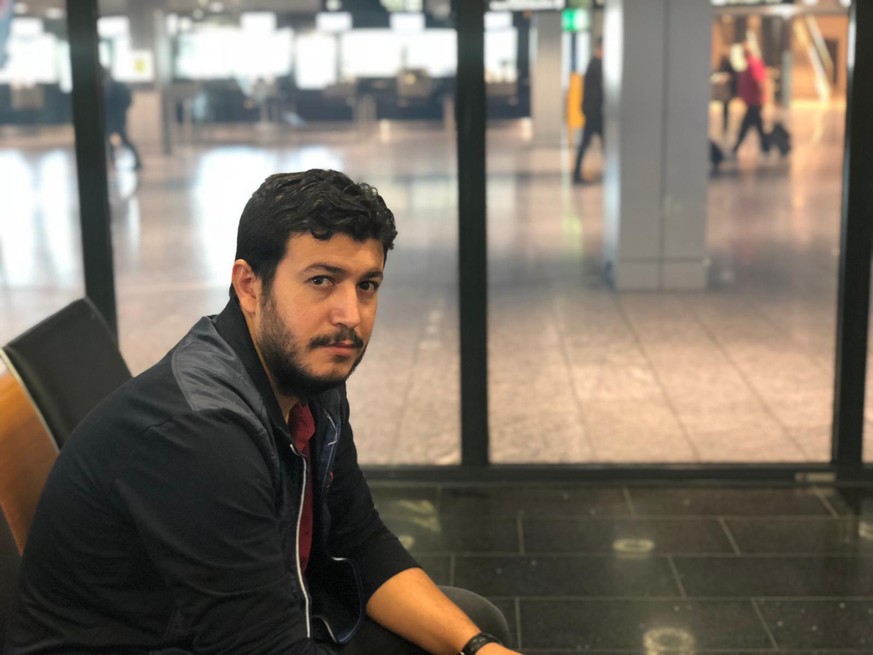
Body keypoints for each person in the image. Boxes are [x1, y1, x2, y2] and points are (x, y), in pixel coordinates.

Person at [5, 169, 516, 655]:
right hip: (161, 643)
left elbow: (358, 539)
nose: (350, 316)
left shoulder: (309, 375)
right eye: (322, 280)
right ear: (249, 285)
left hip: (244, 620)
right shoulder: (201, 436)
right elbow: (263, 647)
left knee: (475, 625)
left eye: (367, 285)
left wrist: (476, 648)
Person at [572, 38, 604, 185]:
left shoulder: (592, 64)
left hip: (592, 111)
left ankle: (576, 174)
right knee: (586, 143)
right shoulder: (596, 65)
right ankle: (576, 174)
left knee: (586, 143)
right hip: (594, 112)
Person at [731, 43, 769, 156]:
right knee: (757, 126)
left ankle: (737, 147)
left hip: (754, 102)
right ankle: (766, 147)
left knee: (746, 125)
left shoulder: (753, 64)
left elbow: (759, 81)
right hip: (752, 101)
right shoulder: (750, 64)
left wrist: (761, 97)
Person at [104, 68, 142, 171]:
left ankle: (114, 162)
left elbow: (109, 102)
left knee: (122, 139)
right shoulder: (115, 85)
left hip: (113, 118)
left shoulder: (110, 86)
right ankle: (113, 162)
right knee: (114, 139)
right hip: (117, 117)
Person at [714, 48, 738, 138]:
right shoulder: (723, 65)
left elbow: (734, 76)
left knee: (726, 110)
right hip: (724, 91)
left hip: (727, 91)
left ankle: (725, 127)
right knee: (725, 110)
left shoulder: (728, 65)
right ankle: (725, 127)